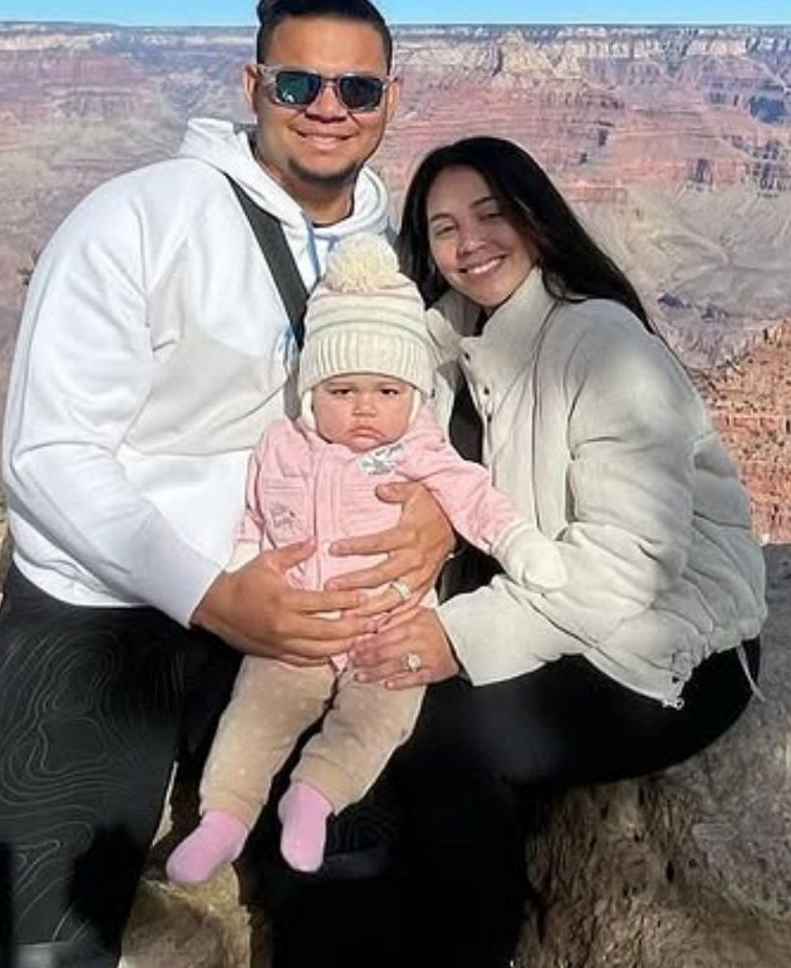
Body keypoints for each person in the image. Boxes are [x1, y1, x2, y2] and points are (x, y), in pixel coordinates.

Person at [0, 0, 455, 968]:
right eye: (299, 83)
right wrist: (214, 596)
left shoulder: (389, 246)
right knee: (45, 937)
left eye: (357, 90)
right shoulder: (136, 221)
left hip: (305, 612)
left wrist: (438, 516)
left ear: (390, 100)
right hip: (108, 618)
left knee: (356, 888)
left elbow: (427, 397)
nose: (329, 109)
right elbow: (50, 459)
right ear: (252, 84)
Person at [322, 134, 771, 968]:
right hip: (567, 608)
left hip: (676, 645)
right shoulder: (458, 334)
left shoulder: (603, 347)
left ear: (536, 220)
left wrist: (458, 640)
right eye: (444, 227)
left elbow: (631, 565)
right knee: (365, 705)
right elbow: (373, 372)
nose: (469, 244)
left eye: (492, 215)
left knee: (443, 740)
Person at [163, 235, 565, 886]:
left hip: (388, 629)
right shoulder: (280, 447)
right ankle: (223, 821)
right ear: (311, 391)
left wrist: (518, 544)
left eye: (386, 390)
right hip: (298, 628)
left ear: (412, 395)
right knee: (253, 716)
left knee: (377, 722)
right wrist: (242, 569)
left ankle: (312, 800)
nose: (365, 409)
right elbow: (253, 517)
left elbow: (473, 497)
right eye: (342, 390)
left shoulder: (419, 448)